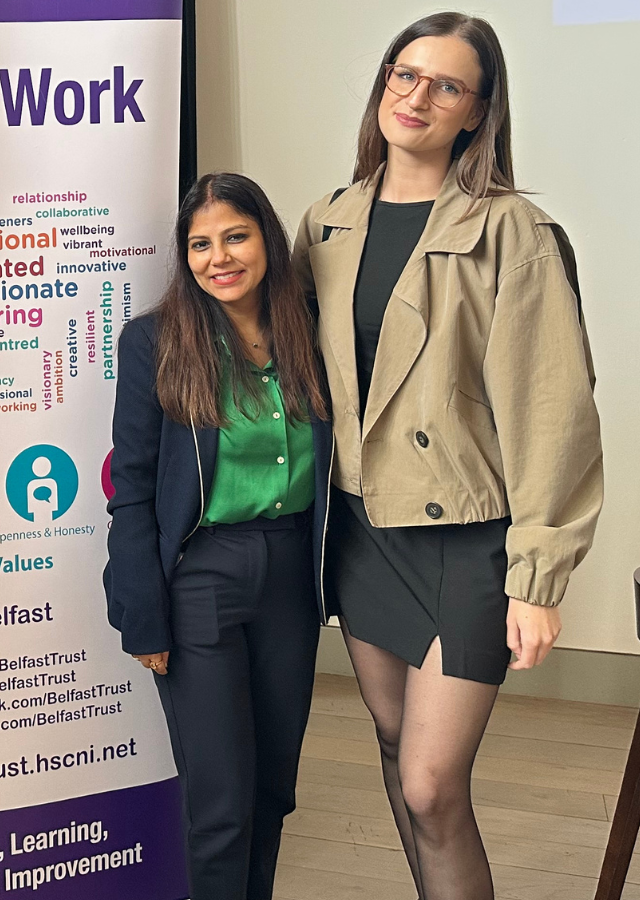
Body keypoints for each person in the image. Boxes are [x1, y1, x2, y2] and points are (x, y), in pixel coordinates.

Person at [292, 13, 601, 899]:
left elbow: (553, 410)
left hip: (467, 539)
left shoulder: (513, 230)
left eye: (447, 85)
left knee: (432, 784)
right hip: (363, 528)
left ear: (477, 111)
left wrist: (538, 577)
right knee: (397, 752)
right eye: (405, 74)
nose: (417, 96)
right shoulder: (327, 222)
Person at [106, 172, 334, 900]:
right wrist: (142, 612)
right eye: (200, 244)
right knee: (221, 805)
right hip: (202, 577)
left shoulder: (312, 329)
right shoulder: (155, 341)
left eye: (235, 236)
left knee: (272, 791)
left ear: (267, 238)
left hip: (291, 573)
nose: (219, 258)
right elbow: (131, 487)